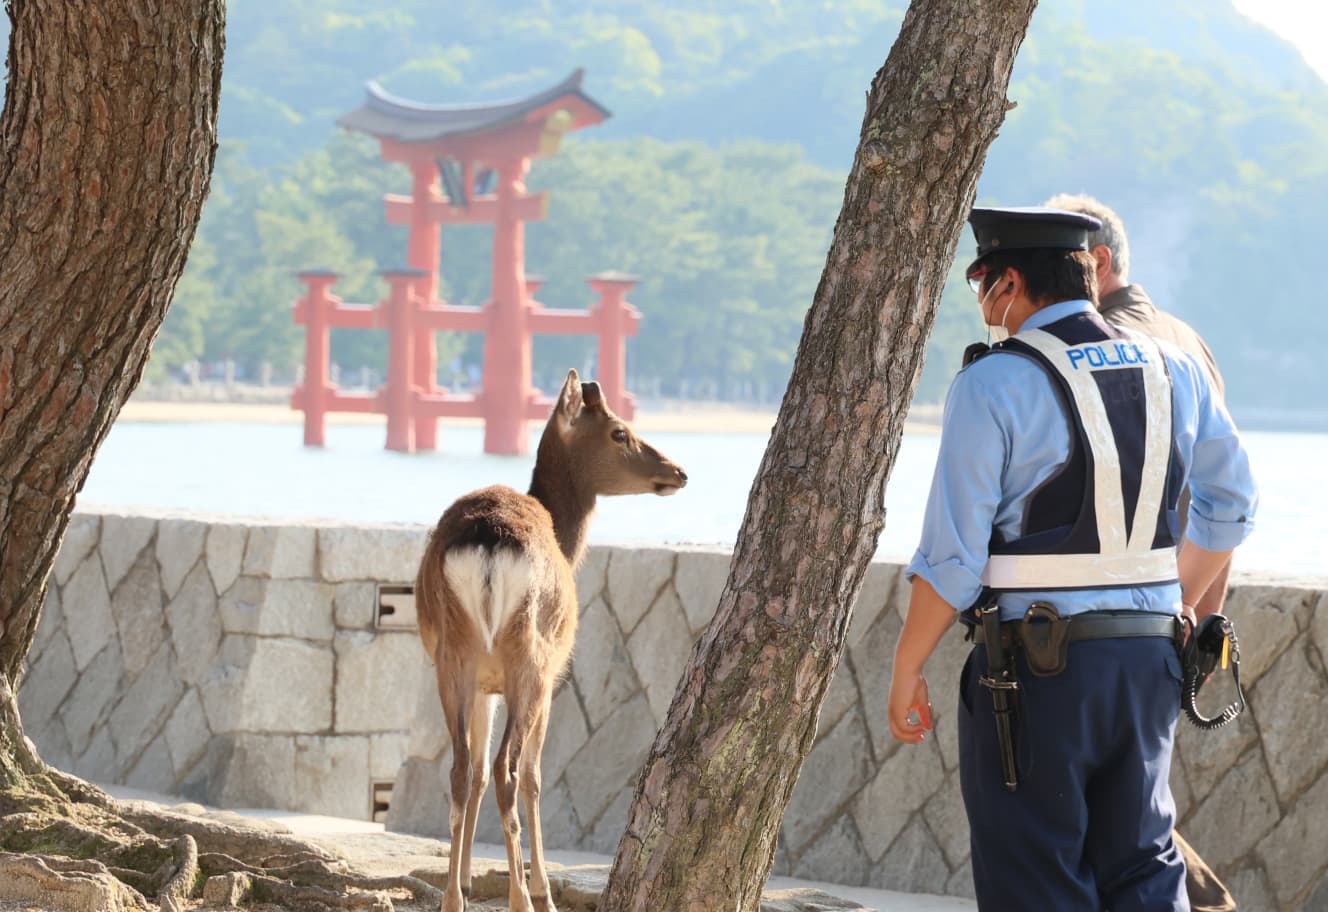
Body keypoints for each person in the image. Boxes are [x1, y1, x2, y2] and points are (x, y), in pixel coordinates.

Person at [886, 206, 1258, 911]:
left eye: (983, 288)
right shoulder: (1174, 367)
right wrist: (1166, 597)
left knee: (1037, 875)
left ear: (1010, 284)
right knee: (1145, 867)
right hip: (1150, 660)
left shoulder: (992, 384)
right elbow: (1233, 498)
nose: (987, 308)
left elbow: (954, 560)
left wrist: (907, 668)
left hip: (1034, 672)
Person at [1046, 193, 1240, 912]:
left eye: (1049, 266)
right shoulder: (1188, 339)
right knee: (1133, 810)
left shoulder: (1109, 346)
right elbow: (1223, 500)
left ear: (1094, 264)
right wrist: (1200, 616)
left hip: (1128, 618)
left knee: (1115, 823)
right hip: (1178, 617)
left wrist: (1177, 607)